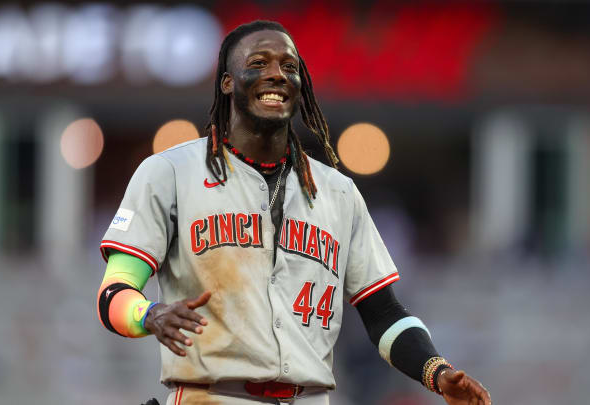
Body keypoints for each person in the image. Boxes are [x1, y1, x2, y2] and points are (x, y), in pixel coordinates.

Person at [96, 20, 492, 405]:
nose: (276, 74)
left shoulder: (338, 192)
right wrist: (149, 315)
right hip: (211, 397)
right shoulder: (170, 173)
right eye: (258, 63)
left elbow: (384, 313)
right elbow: (112, 294)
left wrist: (437, 372)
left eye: (289, 66)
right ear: (227, 81)